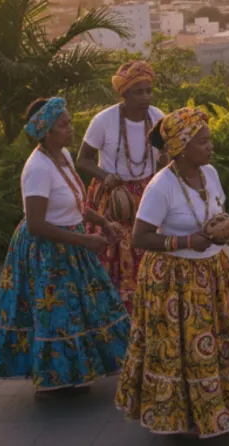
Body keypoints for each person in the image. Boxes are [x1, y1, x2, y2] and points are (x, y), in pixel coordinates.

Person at [114, 107, 229, 437]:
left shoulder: (210, 174)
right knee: (183, 348)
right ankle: (182, 417)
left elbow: (219, 221)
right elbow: (140, 237)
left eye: (210, 140)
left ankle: (225, 408)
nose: (210, 146)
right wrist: (187, 240)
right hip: (174, 279)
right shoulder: (161, 187)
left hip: (215, 271)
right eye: (203, 141)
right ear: (181, 147)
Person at [0, 97, 129, 395]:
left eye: (69, 122)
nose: (71, 129)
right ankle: (54, 381)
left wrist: (102, 222)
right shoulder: (37, 169)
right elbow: (37, 224)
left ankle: (76, 370)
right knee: (57, 314)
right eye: (63, 125)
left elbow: (75, 204)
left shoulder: (63, 158)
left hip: (71, 243)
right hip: (47, 250)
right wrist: (85, 240)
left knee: (83, 307)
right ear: (46, 131)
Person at [76, 60, 166, 311]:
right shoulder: (103, 120)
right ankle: (112, 310)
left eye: (148, 90)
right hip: (112, 197)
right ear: (123, 93)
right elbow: (82, 160)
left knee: (147, 250)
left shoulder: (158, 118)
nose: (145, 97)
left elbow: (166, 156)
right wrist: (105, 176)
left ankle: (149, 305)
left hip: (147, 194)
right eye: (138, 91)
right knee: (111, 254)